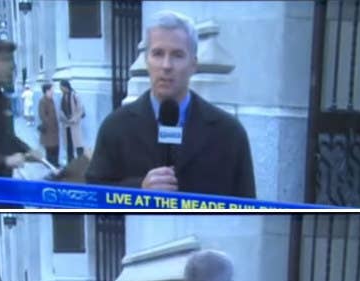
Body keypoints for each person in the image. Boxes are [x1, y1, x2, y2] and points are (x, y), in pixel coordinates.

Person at [86, 10, 256, 198]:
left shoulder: (229, 133)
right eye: (158, 54)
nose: (166, 65)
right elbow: (94, 196)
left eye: (177, 55)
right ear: (146, 61)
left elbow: (247, 209)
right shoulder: (115, 127)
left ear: (193, 64)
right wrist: (138, 190)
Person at [0, 39, 42, 177]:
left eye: (12, 60)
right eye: (4, 60)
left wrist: (27, 151)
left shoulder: (2, 98)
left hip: (3, 182)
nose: (12, 66)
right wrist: (4, 161)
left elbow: (7, 137)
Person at [59, 79, 84, 163]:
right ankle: (70, 162)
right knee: (69, 145)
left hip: (74, 124)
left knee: (78, 144)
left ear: (65, 87)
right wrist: (62, 117)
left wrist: (74, 119)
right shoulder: (62, 96)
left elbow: (80, 109)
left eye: (61, 86)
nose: (60, 88)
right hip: (66, 125)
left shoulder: (74, 95)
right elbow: (61, 109)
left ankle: (81, 162)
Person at [38, 83, 60, 167]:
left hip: (54, 129)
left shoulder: (51, 100)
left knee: (56, 147)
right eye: (51, 90)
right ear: (47, 91)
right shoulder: (42, 101)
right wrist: (49, 123)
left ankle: (55, 162)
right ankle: (50, 163)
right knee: (50, 147)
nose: (53, 91)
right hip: (48, 130)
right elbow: (42, 115)